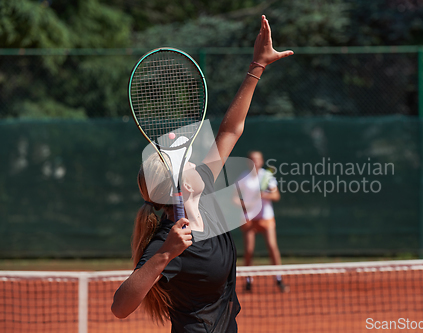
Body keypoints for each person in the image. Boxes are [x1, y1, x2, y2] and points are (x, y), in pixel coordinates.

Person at [111, 15, 293, 333]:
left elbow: (231, 130)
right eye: (183, 160)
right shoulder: (168, 241)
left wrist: (257, 66)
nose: (192, 158)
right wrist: (166, 253)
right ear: (178, 186)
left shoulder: (205, 192)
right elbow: (120, 307)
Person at [238, 151, 289, 292]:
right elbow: (234, 198)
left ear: (261, 161)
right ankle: (248, 281)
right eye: (252, 159)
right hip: (249, 219)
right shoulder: (242, 178)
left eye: (257, 159)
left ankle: (279, 279)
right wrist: (246, 204)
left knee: (272, 247)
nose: (255, 162)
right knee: (248, 251)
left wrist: (264, 194)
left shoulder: (267, 177)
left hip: (266, 217)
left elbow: (276, 195)